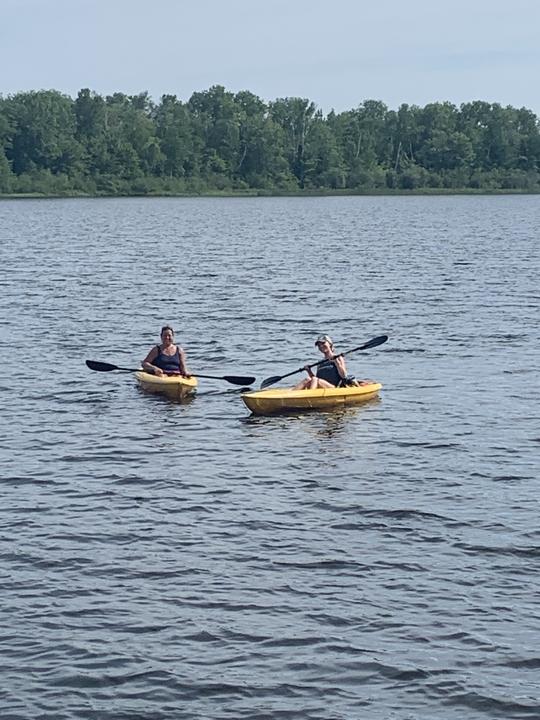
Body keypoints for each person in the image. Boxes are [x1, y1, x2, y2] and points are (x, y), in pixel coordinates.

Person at [292, 334, 366, 390]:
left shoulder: (338, 357)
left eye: (323, 343)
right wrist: (309, 371)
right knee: (308, 379)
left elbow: (344, 376)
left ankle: (308, 398)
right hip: (321, 386)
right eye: (319, 345)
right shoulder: (320, 362)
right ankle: (291, 394)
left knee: (314, 380)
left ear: (330, 344)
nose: (321, 346)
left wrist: (336, 363)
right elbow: (316, 379)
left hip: (333, 388)